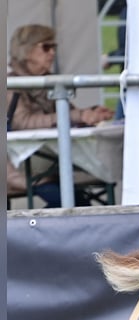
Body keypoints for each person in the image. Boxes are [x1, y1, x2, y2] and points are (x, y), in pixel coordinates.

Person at [7, 24, 114, 208]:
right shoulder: (11, 84)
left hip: (51, 163)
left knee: (77, 202)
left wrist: (92, 114)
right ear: (26, 50)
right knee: (74, 204)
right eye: (46, 47)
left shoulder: (50, 80)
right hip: (21, 167)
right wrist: (78, 115)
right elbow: (22, 122)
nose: (52, 53)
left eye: (54, 47)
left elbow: (69, 115)